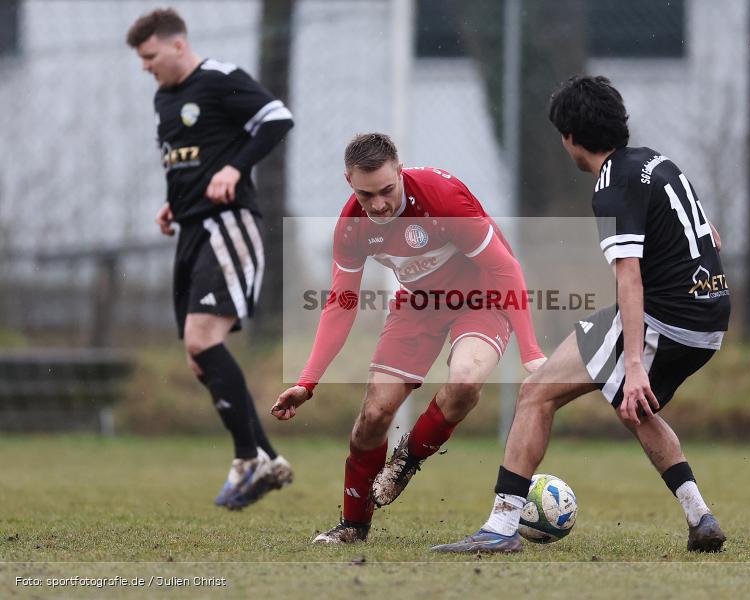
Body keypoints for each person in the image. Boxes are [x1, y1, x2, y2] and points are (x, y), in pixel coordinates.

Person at [432, 75, 730, 553]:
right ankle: (700, 517)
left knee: (535, 394)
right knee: (634, 408)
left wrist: (634, 364)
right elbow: (710, 233)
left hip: (667, 320)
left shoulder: (611, 186)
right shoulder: (657, 162)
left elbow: (629, 278)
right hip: (710, 316)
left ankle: (501, 528)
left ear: (570, 138)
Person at [271, 133, 546, 544]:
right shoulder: (352, 226)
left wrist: (531, 353)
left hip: (483, 297)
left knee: (465, 382)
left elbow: (505, 269)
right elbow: (342, 304)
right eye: (367, 195)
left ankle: (406, 460)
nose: (379, 204)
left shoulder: (442, 198)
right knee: (374, 415)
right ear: (349, 182)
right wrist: (307, 382)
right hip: (418, 303)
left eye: (387, 190)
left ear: (400, 171)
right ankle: (353, 527)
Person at [127, 8, 295, 510]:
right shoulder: (164, 98)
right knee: (198, 357)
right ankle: (267, 458)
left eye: (150, 56)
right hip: (191, 229)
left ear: (177, 45)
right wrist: (173, 203)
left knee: (203, 341)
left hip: (228, 225)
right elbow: (184, 159)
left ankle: (248, 458)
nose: (145, 66)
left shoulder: (220, 78)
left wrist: (235, 168)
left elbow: (277, 119)